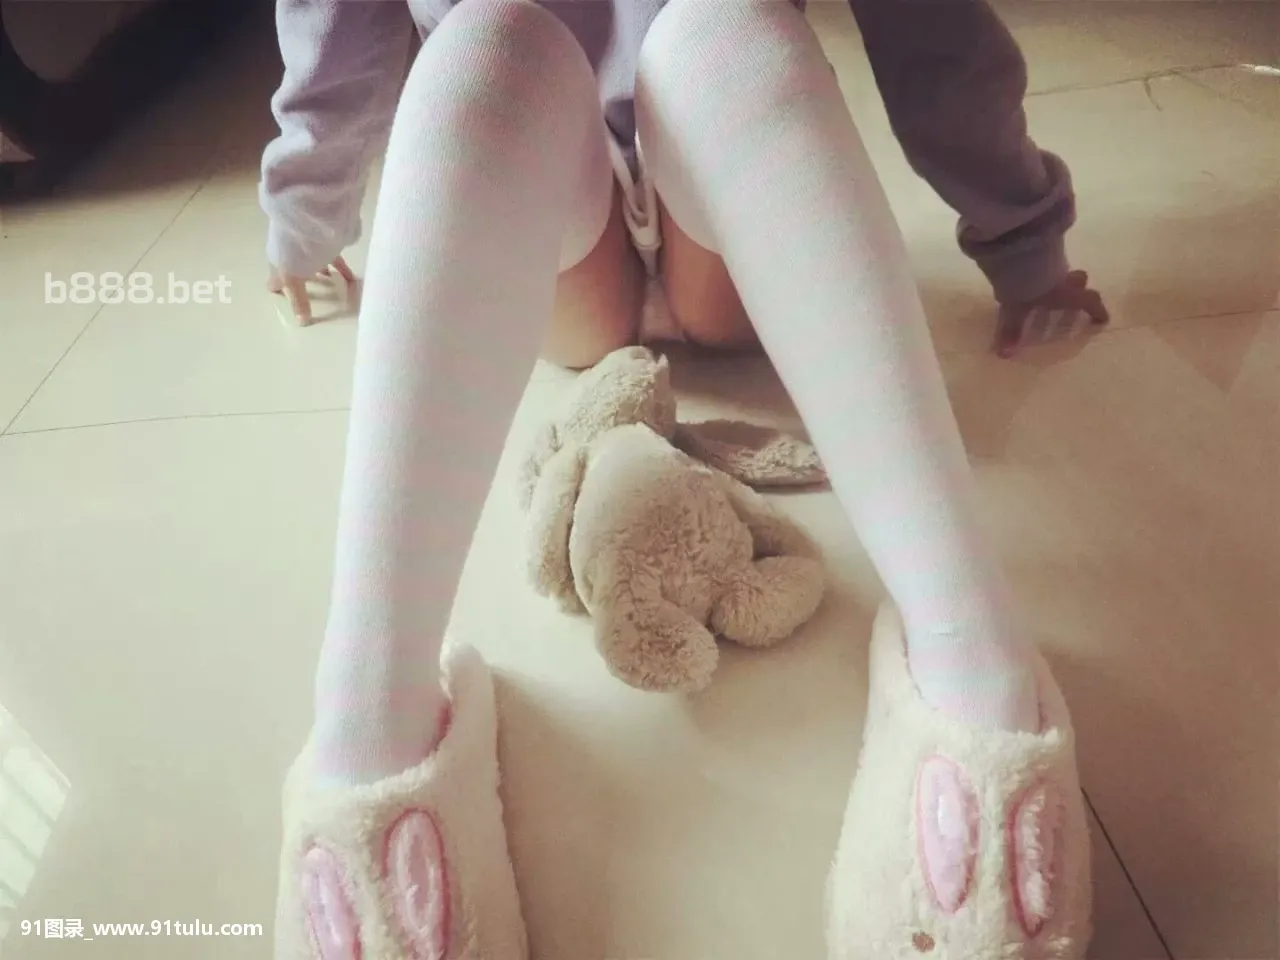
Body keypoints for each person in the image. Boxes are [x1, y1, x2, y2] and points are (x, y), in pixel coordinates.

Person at [262, 1, 1100, 957]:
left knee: (726, 33)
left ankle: (970, 658)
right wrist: (303, 212)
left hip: (737, 200)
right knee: (487, 52)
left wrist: (1023, 235)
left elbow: (927, 24)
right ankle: (371, 712)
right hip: (544, 211)